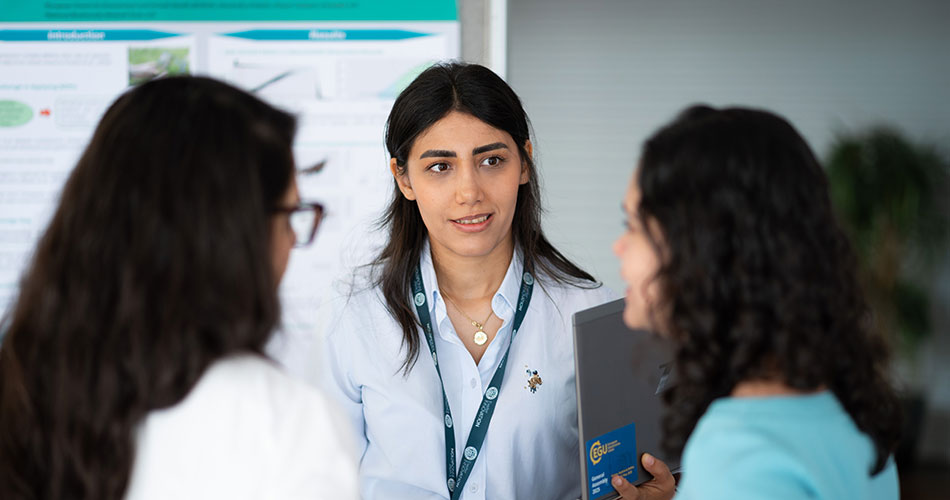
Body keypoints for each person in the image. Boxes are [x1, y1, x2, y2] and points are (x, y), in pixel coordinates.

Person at [319, 62, 675, 500]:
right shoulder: (355, 311)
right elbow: (325, 481)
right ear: (403, 178)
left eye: (491, 160)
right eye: (440, 167)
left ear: (524, 163)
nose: (470, 192)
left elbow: (626, 476)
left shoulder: (589, 314)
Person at [0, 76, 358, 500]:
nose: (292, 240)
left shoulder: (20, 387)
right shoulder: (285, 424)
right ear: (233, 233)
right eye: (290, 214)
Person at [612, 105, 902, 499]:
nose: (619, 247)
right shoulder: (849, 412)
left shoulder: (738, 458)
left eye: (633, 225)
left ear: (702, 252)